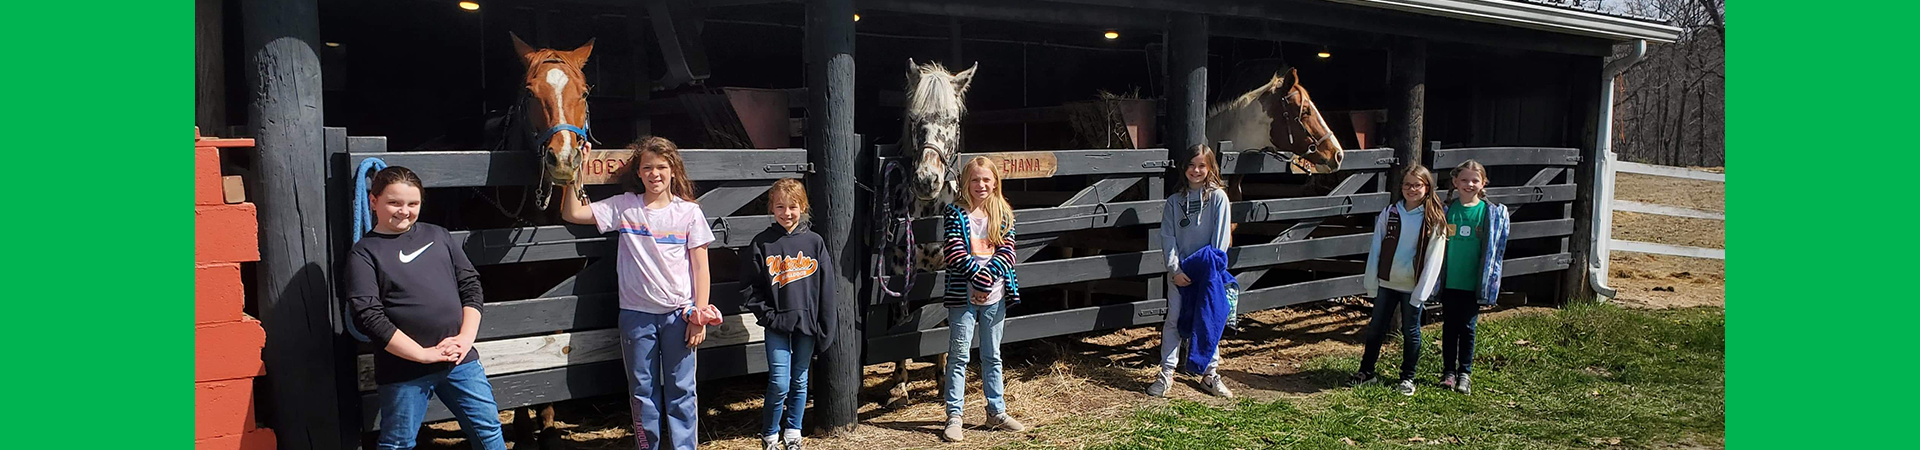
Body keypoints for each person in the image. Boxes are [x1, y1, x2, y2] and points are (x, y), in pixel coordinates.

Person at [560, 136, 720, 450]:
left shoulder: (688, 213)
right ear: (639, 172)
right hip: (637, 317)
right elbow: (572, 213)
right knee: (642, 392)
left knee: (682, 390)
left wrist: (699, 316)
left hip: (679, 315)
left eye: (662, 167)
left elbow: (701, 267)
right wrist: (573, 171)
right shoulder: (624, 206)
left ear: (674, 170)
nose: (654, 174)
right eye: (647, 167)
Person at [345, 166, 508, 450]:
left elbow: (470, 286)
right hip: (404, 369)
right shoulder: (364, 253)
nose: (404, 211)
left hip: (459, 359)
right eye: (394, 202)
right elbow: (368, 315)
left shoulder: (439, 236)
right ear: (374, 202)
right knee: (398, 443)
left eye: (413, 204)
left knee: (488, 428)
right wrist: (421, 354)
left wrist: (465, 339)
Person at [739, 178, 837, 450]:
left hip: (807, 325)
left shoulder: (815, 242)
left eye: (793, 206)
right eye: (780, 206)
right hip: (776, 327)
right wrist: (770, 317)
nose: (786, 213)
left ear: (802, 206)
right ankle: (770, 433)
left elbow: (827, 289)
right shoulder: (762, 243)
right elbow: (749, 289)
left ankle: (793, 431)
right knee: (779, 382)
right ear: (771, 208)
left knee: (800, 380)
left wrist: (825, 327)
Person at [939, 156, 1028, 442]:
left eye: (986, 179)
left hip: (996, 295)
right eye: (975, 179)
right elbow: (953, 252)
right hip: (962, 295)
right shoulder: (955, 212)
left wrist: (987, 280)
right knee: (959, 355)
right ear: (966, 182)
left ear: (995, 182)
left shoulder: (1002, 212)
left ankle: (996, 411)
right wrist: (977, 279)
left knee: (992, 354)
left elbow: (1008, 252)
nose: (981, 185)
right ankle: (955, 415)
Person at [1351, 163, 1449, 396]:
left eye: (1417, 185)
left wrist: (1421, 292)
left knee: (1411, 331)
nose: (1411, 189)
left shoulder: (1434, 218)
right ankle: (1367, 372)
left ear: (1427, 187)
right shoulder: (1390, 212)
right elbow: (1377, 246)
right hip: (1387, 283)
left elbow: (1435, 257)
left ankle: (1407, 377)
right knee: (1376, 328)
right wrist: (1372, 281)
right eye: (1407, 184)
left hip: (1412, 286)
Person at [1147, 145, 1235, 399]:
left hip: (1208, 272)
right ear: (1184, 167)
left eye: (1202, 166)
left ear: (1210, 168)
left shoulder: (1218, 198)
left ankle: (1210, 373)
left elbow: (1220, 241)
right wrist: (1175, 269)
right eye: (1191, 165)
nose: (1196, 170)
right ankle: (1167, 373)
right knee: (1174, 319)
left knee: (1209, 318)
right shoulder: (1174, 202)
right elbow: (1168, 237)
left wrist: (1207, 268)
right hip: (1180, 273)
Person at [1437, 160, 1509, 395]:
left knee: (1468, 327)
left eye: (1475, 180)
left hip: (1472, 282)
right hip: (1450, 280)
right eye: (1464, 180)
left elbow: (1495, 249)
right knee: (1449, 326)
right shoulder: (1446, 210)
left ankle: (1464, 373)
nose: (1469, 184)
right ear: (1455, 182)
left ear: (1483, 183)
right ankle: (1448, 372)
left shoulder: (1490, 213)